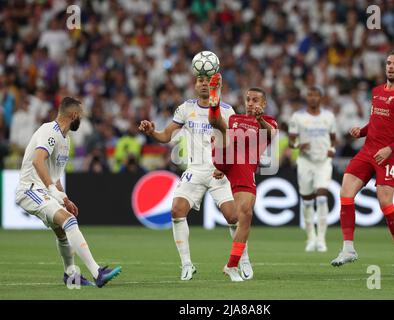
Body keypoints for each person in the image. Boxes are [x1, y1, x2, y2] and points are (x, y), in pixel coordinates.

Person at [138, 75, 254, 281]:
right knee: (176, 210)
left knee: (234, 217)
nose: (203, 83)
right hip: (196, 170)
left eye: (207, 80)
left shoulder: (227, 110)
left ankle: (242, 258)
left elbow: (235, 141)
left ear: (216, 85)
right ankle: (187, 265)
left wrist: (224, 163)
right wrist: (152, 132)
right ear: (195, 84)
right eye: (200, 80)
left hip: (219, 170)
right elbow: (166, 136)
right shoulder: (185, 109)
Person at [14, 97, 122, 287]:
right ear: (73, 115)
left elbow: (55, 176)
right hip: (29, 189)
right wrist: (51, 191)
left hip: (44, 190)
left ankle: (70, 274)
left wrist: (65, 199)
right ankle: (97, 272)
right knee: (69, 221)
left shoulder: (66, 140)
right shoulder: (49, 131)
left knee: (62, 231)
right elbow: (38, 161)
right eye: (80, 115)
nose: (82, 119)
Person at [331, 51, 394, 273]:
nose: (391, 67)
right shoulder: (377, 92)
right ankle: (348, 248)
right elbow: (377, 122)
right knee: (346, 193)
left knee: (385, 202)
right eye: (388, 63)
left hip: (388, 155)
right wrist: (361, 131)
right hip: (367, 151)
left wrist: (389, 149)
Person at [208, 73, 278, 281]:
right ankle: (214, 99)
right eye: (248, 99)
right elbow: (223, 132)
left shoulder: (269, 122)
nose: (250, 103)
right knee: (220, 126)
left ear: (264, 103)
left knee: (244, 215)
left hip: (244, 167)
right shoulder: (235, 119)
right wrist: (221, 163)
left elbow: (271, 135)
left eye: (255, 100)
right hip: (226, 156)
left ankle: (232, 265)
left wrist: (259, 120)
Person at [288, 86, 337, 252]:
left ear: (320, 98)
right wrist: (298, 145)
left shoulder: (329, 116)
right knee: (308, 201)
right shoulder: (298, 117)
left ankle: (322, 239)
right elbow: (291, 142)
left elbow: (334, 138)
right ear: (306, 98)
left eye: (315, 95)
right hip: (305, 162)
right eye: (310, 95)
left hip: (323, 162)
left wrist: (333, 149)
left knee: (322, 198)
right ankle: (311, 238)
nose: (313, 98)